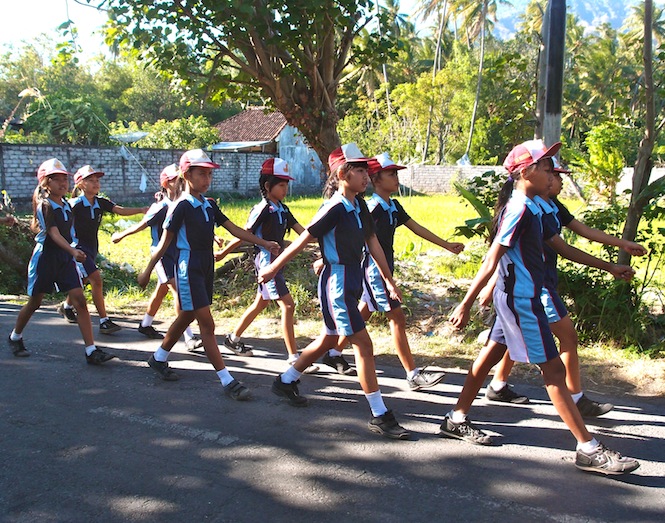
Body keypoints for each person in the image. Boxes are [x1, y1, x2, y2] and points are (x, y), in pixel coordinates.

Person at [445, 140, 639, 475]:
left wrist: (610, 266)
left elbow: (562, 248)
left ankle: (455, 418)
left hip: (523, 298)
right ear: (525, 172)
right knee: (552, 371)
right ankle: (588, 449)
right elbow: (493, 258)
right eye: (546, 167)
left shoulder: (535, 208)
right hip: (522, 301)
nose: (552, 174)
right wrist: (466, 302)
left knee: (491, 355)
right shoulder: (518, 209)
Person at [258, 143, 410, 440]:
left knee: (329, 337)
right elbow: (304, 240)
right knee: (364, 346)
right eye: (360, 170)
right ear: (342, 174)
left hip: (353, 279)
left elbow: (373, 243)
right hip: (337, 282)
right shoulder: (335, 207)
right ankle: (380, 414)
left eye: (367, 170)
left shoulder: (359, 205)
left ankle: (286, 380)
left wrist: (388, 279)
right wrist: (273, 267)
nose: (366, 175)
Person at [483, 157, 647, 413]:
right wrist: (489, 286)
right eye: (553, 174)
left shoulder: (550, 208)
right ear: (537, 178)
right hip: (533, 288)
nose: (557, 180)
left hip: (533, 286)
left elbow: (582, 231)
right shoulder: (527, 209)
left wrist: (622, 245)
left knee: (507, 340)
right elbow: (503, 253)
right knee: (567, 337)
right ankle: (575, 398)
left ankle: (494, 386)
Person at [137, 149, 279, 400]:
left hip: (205, 266)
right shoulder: (180, 206)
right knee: (207, 324)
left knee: (187, 316)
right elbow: (164, 243)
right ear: (186, 174)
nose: (207, 179)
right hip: (188, 266)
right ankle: (227, 380)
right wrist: (148, 270)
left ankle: (158, 358)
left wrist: (264, 242)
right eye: (201, 173)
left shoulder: (209, 205)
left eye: (209, 174)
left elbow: (235, 229)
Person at [328, 152, 464, 390]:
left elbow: (417, 228)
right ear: (376, 179)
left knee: (363, 313)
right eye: (391, 174)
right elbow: (354, 236)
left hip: (383, 269)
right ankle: (412, 374)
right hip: (374, 271)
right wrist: (326, 258)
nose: (396, 178)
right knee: (397, 318)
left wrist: (446, 245)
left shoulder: (392, 206)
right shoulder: (372, 208)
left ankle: (333, 351)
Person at [7, 158, 116, 364]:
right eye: (56, 180)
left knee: (80, 301)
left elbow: (69, 231)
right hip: (46, 257)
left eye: (64, 179)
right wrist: (73, 251)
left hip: (65, 258)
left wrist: (72, 250)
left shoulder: (66, 204)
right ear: (45, 183)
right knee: (35, 302)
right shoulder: (46, 205)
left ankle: (91, 351)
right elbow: (54, 234)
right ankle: (15, 336)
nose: (62, 184)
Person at [216, 158, 318, 372]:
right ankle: (294, 358)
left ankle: (233, 339)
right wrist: (224, 252)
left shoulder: (283, 209)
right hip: (266, 263)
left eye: (286, 184)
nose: (285, 189)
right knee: (288, 305)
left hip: (277, 263)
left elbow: (304, 233)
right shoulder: (262, 209)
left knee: (260, 303)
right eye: (281, 184)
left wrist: (326, 236)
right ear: (267, 186)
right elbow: (244, 234)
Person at [111, 164, 202, 350]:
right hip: (161, 255)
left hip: (177, 253)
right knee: (178, 291)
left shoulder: (183, 203)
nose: (180, 183)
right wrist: (122, 234)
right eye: (176, 181)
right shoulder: (161, 206)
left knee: (162, 289)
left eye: (181, 180)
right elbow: (143, 224)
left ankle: (145, 324)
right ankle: (189, 337)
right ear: (166, 184)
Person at [59, 165, 147, 334]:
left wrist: (141, 210)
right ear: (81, 184)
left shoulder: (100, 202)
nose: (95, 183)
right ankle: (104, 321)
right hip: (78, 248)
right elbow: (60, 221)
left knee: (84, 279)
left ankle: (66, 306)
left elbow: (119, 210)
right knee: (96, 279)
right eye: (91, 180)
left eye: (97, 180)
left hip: (92, 248)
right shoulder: (74, 204)